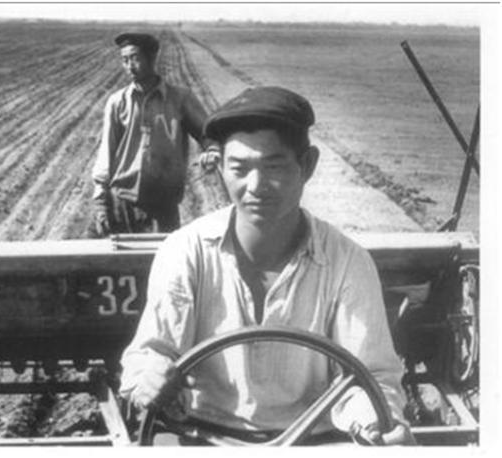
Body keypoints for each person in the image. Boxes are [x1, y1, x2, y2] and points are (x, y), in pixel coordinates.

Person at [119, 86, 415, 445]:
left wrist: (372, 422)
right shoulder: (186, 250)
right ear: (220, 167)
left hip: (311, 441)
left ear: (307, 165)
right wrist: (149, 376)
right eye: (239, 168)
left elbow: (372, 375)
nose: (255, 186)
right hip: (201, 435)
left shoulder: (348, 262)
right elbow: (153, 353)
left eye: (274, 166)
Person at [91, 32, 221, 236]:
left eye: (135, 58)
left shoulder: (180, 99)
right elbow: (107, 152)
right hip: (124, 201)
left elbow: (208, 134)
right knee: (122, 264)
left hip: (164, 205)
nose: (129, 66)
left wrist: (212, 151)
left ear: (152, 58)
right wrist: (100, 202)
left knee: (163, 263)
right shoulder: (117, 102)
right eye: (124, 60)